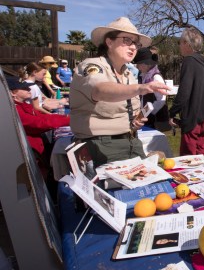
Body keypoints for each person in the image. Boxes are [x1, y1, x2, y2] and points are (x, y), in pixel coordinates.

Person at [70, 17, 169, 168]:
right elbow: (100, 90)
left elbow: (126, 109)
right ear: (109, 42)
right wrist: (141, 88)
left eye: (136, 43)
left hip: (132, 143)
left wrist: (134, 121)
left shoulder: (128, 74)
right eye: (127, 40)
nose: (133, 47)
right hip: (99, 146)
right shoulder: (92, 65)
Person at [8, 76, 70, 179]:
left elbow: (42, 117)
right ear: (13, 93)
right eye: (25, 88)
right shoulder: (15, 109)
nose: (29, 90)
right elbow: (38, 122)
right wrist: (69, 120)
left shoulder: (21, 105)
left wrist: (66, 117)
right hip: (31, 154)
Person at [168, 27, 204, 156]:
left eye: (180, 42)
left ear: (187, 44)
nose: (180, 46)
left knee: (188, 157)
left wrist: (172, 112)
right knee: (200, 152)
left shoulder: (189, 61)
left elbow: (184, 91)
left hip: (193, 115)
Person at [134, 47, 171, 131]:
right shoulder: (144, 75)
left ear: (145, 64)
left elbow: (161, 100)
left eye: (138, 64)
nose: (137, 67)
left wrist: (149, 113)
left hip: (155, 118)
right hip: (146, 115)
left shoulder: (155, 77)